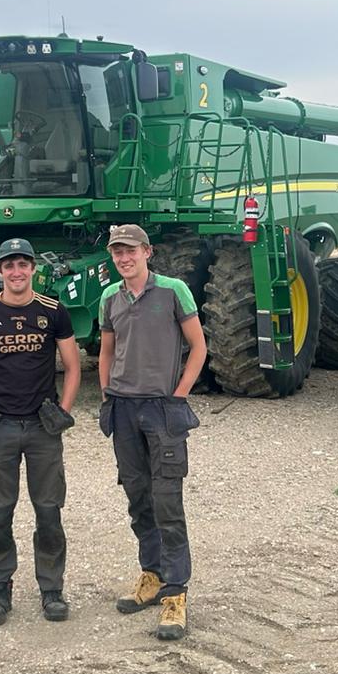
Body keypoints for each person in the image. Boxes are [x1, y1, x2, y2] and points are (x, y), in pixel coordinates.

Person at [0, 238, 81, 626]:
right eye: (9, 265)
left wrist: (63, 410)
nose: (16, 272)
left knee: (49, 511)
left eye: (23, 264)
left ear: (33, 269)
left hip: (42, 427)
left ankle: (52, 590)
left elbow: (73, 366)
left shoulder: (52, 311)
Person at [97, 224, 208, 641]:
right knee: (138, 498)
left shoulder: (174, 291)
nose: (124, 258)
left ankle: (176, 593)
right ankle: (152, 575)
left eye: (131, 251)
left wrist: (178, 396)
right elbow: (106, 350)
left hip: (162, 409)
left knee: (167, 501)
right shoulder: (110, 297)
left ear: (147, 252)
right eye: (117, 253)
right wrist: (108, 394)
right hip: (124, 409)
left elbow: (198, 346)